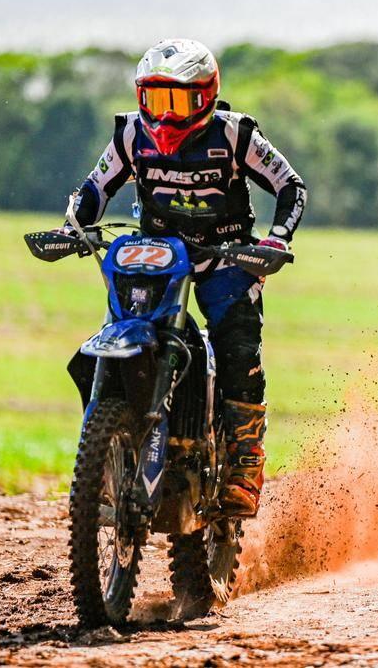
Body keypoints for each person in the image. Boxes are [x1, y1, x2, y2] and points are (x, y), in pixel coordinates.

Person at [65, 39, 306, 517]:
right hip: (157, 253)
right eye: (155, 100)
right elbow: (93, 187)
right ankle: (117, 428)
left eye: (177, 101)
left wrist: (276, 239)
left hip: (227, 256)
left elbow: (289, 185)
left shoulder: (236, 135)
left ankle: (244, 463)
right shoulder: (130, 135)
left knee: (238, 347)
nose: (165, 116)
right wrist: (73, 226)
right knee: (123, 327)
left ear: (205, 97)